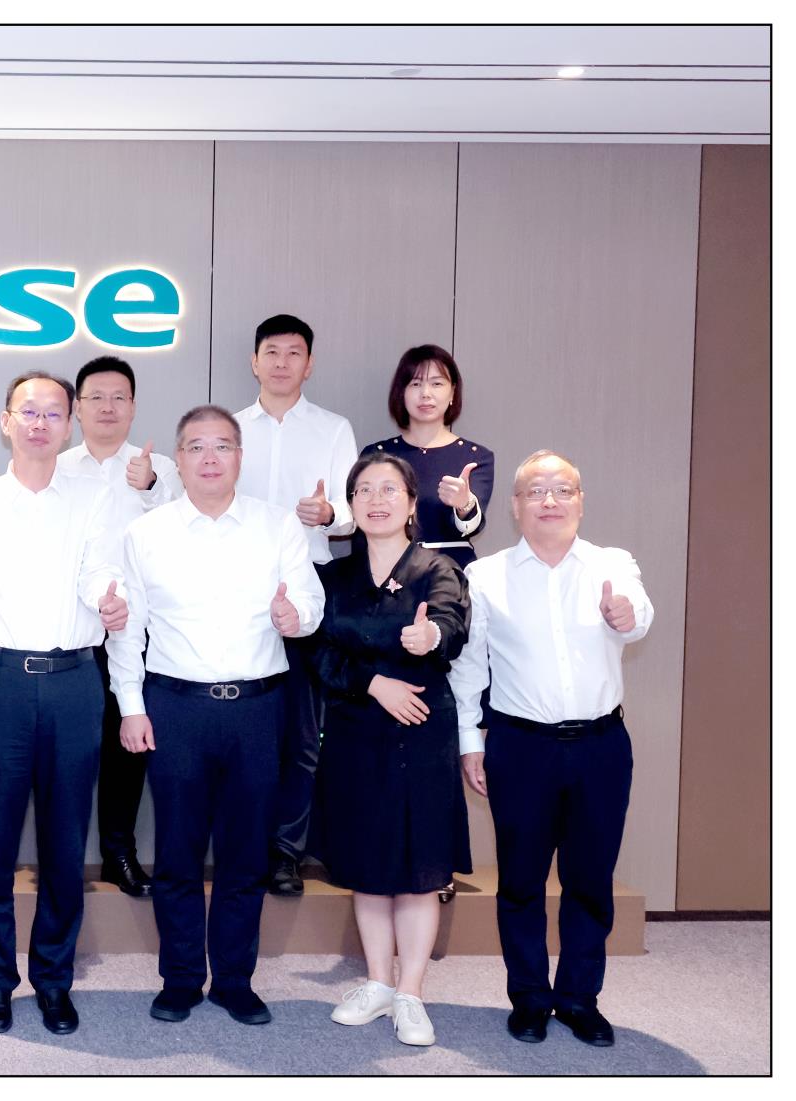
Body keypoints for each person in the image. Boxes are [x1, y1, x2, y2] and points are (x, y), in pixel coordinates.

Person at [112, 404, 323, 1028]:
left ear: (239, 457)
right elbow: (127, 631)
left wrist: (295, 618)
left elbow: (308, 601)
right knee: (177, 852)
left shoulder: (276, 526)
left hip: (258, 709)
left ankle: (234, 980)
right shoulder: (146, 534)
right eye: (197, 447)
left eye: (223, 446)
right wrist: (130, 706)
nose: (210, 458)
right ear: (178, 460)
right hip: (175, 707)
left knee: (245, 854)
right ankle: (180, 978)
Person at [0, 371, 132, 1037]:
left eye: (54, 413)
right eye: (29, 411)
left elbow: (100, 571)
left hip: (73, 682)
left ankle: (53, 979)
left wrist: (108, 598)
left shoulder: (94, 498)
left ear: (68, 423)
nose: (41, 423)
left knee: (63, 842)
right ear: (6, 422)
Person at [450, 450, 652, 1048]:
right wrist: (470, 741)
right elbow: (468, 667)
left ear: (580, 500)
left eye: (562, 489)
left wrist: (626, 614)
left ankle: (580, 998)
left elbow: (639, 615)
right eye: (535, 491)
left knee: (590, 879)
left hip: (601, 747)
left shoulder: (612, 564)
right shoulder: (486, 576)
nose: (549, 500)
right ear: (515, 507)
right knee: (520, 881)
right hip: (520, 747)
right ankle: (530, 998)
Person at [312, 455, 471, 1048]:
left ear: (410, 503)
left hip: (421, 729)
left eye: (388, 490)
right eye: (363, 491)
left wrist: (431, 636)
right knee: (369, 864)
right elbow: (318, 652)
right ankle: (378, 982)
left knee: (419, 869)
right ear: (351, 505)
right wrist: (373, 683)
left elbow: (452, 626)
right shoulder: (333, 576)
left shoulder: (437, 569)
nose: (376, 500)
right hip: (356, 729)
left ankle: (411, 992)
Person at [232, 315, 358, 897]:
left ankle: (285, 853)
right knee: (243, 727)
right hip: (236, 588)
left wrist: (330, 515)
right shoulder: (230, 429)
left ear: (309, 364)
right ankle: (243, 847)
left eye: (294, 353)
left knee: (303, 732)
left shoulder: (333, 429)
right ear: (254, 361)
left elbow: (353, 513)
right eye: (272, 352)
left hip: (311, 585)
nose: (281, 362)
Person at [59, 355, 181, 900]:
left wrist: (152, 486)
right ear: (77, 409)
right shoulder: (57, 466)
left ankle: (119, 852)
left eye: (119, 398)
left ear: (133, 407)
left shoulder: (162, 469)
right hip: (72, 629)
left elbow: (187, 533)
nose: (107, 408)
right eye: (96, 398)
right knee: (70, 750)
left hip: (141, 630)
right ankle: (62, 857)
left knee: (128, 743)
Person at [361, 345, 494, 570]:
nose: (425, 393)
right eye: (415, 384)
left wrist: (464, 504)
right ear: (401, 393)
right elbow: (362, 522)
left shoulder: (475, 456)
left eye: (437, 383)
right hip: (388, 569)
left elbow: (471, 527)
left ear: (452, 392)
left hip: (450, 572)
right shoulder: (376, 455)